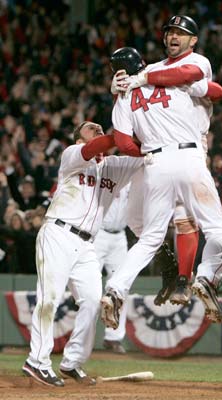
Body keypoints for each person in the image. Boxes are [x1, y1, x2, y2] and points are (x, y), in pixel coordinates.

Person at [101, 29, 222, 331]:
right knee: (216, 230)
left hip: (154, 163)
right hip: (188, 157)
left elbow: (120, 139)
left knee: (148, 239)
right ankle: (206, 278)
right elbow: (215, 89)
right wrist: (143, 79)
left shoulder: (126, 94)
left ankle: (116, 288)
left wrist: (124, 89)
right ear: (143, 62)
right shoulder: (172, 77)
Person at [22, 121, 144, 387]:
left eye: (101, 128)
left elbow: (146, 155)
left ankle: (72, 361)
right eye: (92, 128)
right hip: (58, 233)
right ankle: (37, 360)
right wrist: (117, 136)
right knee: (49, 298)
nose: (99, 130)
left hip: (88, 244)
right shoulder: (71, 155)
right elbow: (96, 146)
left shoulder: (113, 166)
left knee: (92, 300)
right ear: (79, 138)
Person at [93, 184, 130, 354]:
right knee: (90, 285)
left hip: (120, 237)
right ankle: (82, 337)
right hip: (99, 234)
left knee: (121, 287)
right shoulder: (110, 172)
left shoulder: (135, 178)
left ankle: (113, 338)